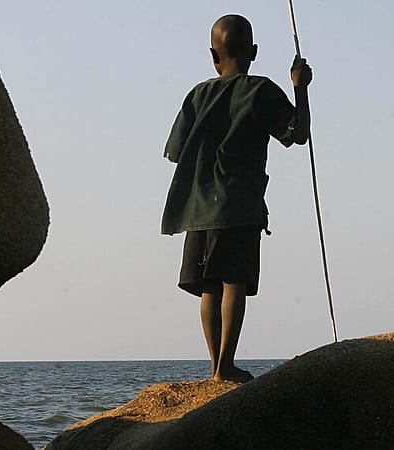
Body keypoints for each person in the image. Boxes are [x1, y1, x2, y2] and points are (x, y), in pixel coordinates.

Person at [161, 14, 312, 382]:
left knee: (209, 285)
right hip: (238, 204)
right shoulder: (261, 90)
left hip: (198, 208)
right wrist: (301, 87)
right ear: (254, 52)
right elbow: (298, 134)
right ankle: (224, 368)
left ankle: (216, 365)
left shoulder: (197, 94)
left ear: (214, 55)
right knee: (234, 281)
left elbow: (176, 151)